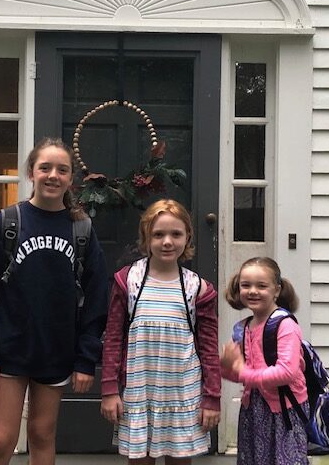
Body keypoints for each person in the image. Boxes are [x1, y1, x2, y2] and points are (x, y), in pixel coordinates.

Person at [0, 137, 108, 465]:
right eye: (44, 167)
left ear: (70, 179)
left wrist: (86, 357)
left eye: (62, 170)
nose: (52, 175)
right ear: (31, 172)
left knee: (42, 436)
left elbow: (97, 298)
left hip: (56, 350)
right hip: (8, 351)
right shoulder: (6, 223)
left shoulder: (81, 230)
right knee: (2, 441)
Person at [101, 199, 221, 465]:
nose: (167, 241)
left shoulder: (198, 289)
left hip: (182, 395)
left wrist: (212, 397)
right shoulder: (128, 280)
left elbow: (209, 348)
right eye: (158, 234)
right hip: (138, 393)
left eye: (176, 234)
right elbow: (113, 338)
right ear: (146, 236)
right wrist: (110, 389)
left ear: (187, 236)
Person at [220, 257, 309, 465]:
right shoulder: (242, 328)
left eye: (261, 286)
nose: (252, 291)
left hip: (285, 412)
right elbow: (240, 373)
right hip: (254, 410)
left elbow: (287, 371)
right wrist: (226, 366)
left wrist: (242, 372)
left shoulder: (285, 325)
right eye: (246, 285)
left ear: (276, 290)